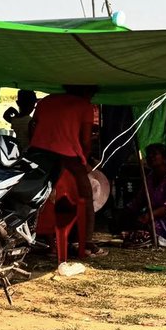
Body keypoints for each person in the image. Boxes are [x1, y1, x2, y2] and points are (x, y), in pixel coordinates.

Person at [29, 84, 104, 258]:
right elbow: (86, 141)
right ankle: (85, 242)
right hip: (68, 155)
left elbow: (33, 126)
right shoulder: (84, 106)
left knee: (37, 197)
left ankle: (43, 240)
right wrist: (84, 161)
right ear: (86, 91)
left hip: (38, 153)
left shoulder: (46, 101)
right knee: (86, 198)